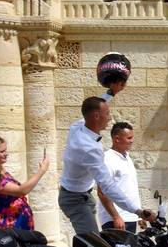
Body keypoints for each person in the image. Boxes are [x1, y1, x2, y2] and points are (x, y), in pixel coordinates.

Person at [58, 97, 156, 235]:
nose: (110, 118)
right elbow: (107, 187)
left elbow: (91, 108)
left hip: (83, 196)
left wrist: (112, 92)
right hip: (75, 199)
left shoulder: (77, 127)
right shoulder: (89, 149)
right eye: (107, 113)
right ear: (97, 116)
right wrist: (138, 211)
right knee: (93, 245)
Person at [0, 135, 48, 230]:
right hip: (8, 226)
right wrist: (42, 170)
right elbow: (21, 190)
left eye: (6, 150)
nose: (6, 154)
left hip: (19, 221)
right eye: (2, 151)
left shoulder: (1, 169)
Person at [97, 122, 141, 233]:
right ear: (117, 139)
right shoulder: (108, 159)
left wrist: (139, 216)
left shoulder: (127, 158)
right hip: (116, 220)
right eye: (129, 138)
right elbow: (102, 192)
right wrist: (115, 217)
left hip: (130, 217)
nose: (132, 141)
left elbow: (131, 188)